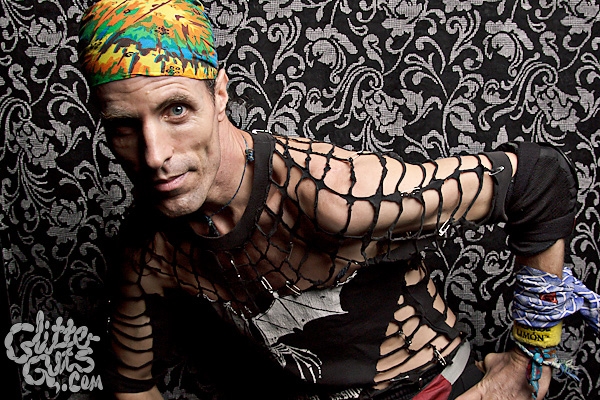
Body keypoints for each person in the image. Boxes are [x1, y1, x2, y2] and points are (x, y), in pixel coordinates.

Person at [77, 1, 597, 399]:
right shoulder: (149, 248)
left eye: (176, 111)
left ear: (219, 95)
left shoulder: (334, 194)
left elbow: (541, 179)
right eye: (123, 126)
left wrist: (530, 361)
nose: (155, 155)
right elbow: (130, 380)